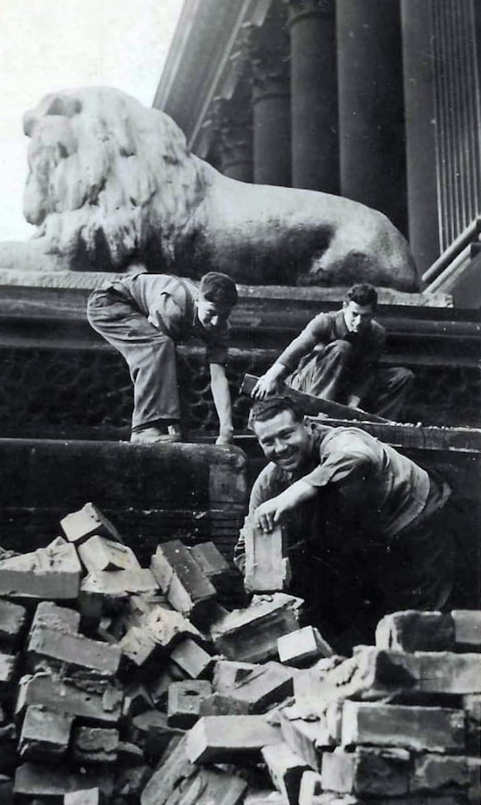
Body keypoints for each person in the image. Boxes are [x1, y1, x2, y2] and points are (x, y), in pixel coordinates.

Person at [236, 395, 454, 645]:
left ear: (308, 426)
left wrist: (293, 494)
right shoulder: (269, 482)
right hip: (365, 541)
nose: (280, 448)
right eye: (268, 442)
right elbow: (245, 548)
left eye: (286, 434)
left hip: (415, 524)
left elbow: (357, 455)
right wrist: (263, 589)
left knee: (419, 623)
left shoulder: (341, 439)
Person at [87, 271, 238, 444]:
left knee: (182, 369)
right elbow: (153, 359)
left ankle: (180, 431)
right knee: (158, 349)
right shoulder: (173, 308)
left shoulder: (221, 328)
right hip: (108, 303)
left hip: (132, 311)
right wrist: (171, 428)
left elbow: (218, 377)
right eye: (211, 312)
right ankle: (144, 430)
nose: (216, 322)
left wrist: (226, 430)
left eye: (224, 315)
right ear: (198, 300)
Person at [250, 283, 413, 419]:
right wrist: (271, 376)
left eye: (365, 316)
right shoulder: (325, 321)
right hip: (310, 384)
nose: (358, 321)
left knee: (402, 376)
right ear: (344, 307)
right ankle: (318, 415)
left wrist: (353, 403)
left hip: (345, 387)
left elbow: (367, 372)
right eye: (354, 314)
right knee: (342, 347)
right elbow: (296, 348)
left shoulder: (377, 333)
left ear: (373, 314)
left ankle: (375, 426)